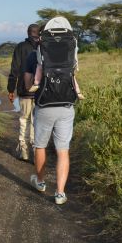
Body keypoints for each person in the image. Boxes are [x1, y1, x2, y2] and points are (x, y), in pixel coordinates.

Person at [26, 19, 78, 205]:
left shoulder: (34, 55)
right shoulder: (71, 53)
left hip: (44, 106)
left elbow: (27, 83)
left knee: (40, 145)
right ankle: (60, 193)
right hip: (66, 106)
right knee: (63, 150)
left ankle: (40, 182)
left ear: (41, 37)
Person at [28, 17, 85, 100]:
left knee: (39, 67)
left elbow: (40, 58)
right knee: (72, 75)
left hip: (48, 65)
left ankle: (36, 84)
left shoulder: (44, 41)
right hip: (65, 65)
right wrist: (75, 65)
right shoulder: (68, 41)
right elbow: (74, 55)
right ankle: (78, 91)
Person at [7, 23, 40, 161]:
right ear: (39, 34)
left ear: (27, 33)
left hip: (24, 89)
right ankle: (34, 149)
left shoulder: (20, 47)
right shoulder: (43, 47)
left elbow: (14, 69)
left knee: (23, 119)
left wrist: (10, 89)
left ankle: (23, 149)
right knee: (35, 121)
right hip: (40, 91)